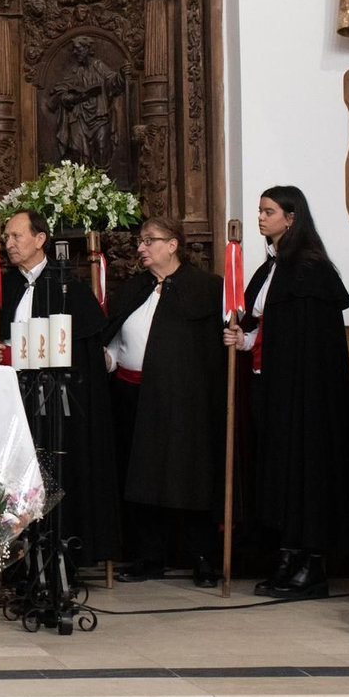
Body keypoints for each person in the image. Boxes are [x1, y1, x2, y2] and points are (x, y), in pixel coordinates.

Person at [0, 209, 116, 566]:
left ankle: (61, 556)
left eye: (16, 237)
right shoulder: (3, 287)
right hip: (12, 401)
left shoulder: (67, 288)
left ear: (40, 239)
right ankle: (12, 558)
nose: (9, 244)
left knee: (58, 470)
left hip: (57, 403)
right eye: (7, 238)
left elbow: (83, 356)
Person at [223, 187, 349, 600]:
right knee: (278, 472)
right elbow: (263, 330)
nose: (261, 218)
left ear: (292, 217)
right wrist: (241, 340)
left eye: (269, 211)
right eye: (260, 211)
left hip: (305, 395)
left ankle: (310, 562)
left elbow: (309, 342)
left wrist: (259, 340)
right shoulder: (269, 269)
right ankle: (286, 554)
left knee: (305, 472)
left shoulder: (311, 270)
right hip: (271, 387)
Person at [100, 217, 225, 586]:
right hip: (131, 393)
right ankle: (146, 556)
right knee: (140, 478)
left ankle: (202, 558)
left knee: (189, 475)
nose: (141, 247)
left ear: (173, 245)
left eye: (149, 240)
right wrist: (103, 361)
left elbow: (211, 349)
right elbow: (116, 342)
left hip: (182, 401)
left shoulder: (205, 287)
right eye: (140, 241)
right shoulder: (133, 288)